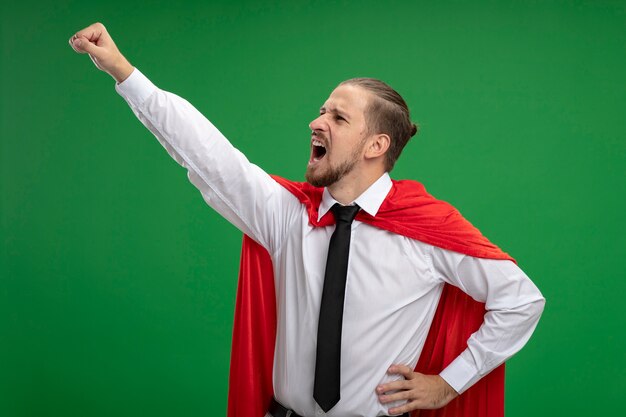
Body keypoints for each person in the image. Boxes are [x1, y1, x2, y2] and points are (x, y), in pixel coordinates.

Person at [69, 22, 545, 417]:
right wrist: (122, 71)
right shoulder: (284, 214)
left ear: (376, 146)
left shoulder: (426, 230)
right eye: (321, 111)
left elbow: (521, 301)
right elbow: (206, 153)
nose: (317, 122)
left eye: (338, 119)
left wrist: (448, 384)